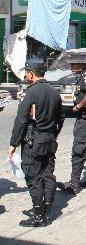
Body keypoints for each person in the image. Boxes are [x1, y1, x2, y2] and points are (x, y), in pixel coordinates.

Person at [9, 59, 64, 226]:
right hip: (49, 139)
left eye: (26, 72)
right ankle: (47, 210)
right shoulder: (55, 92)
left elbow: (21, 120)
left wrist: (14, 143)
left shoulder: (30, 93)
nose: (25, 75)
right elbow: (61, 118)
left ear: (32, 73)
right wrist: (53, 134)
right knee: (47, 175)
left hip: (34, 141)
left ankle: (39, 216)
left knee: (33, 177)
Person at [57, 54, 86, 194]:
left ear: (81, 65)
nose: (71, 67)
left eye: (74, 64)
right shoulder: (85, 75)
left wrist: (78, 106)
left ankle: (73, 184)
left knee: (79, 148)